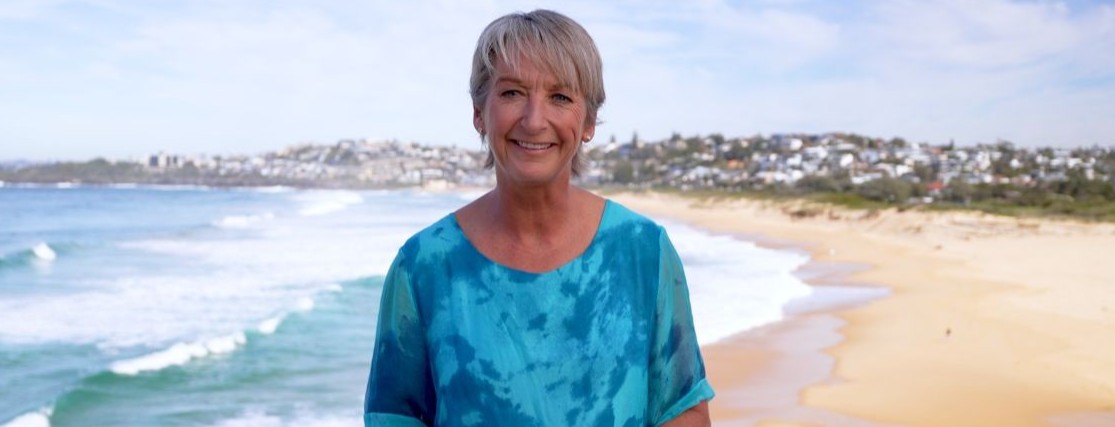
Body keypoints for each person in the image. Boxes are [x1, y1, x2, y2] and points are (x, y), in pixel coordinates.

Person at [364, 9, 714, 426]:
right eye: (512, 93)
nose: (534, 120)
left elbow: (684, 408)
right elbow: (392, 417)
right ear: (479, 112)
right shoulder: (423, 264)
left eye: (560, 97)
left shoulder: (642, 251)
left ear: (588, 122)